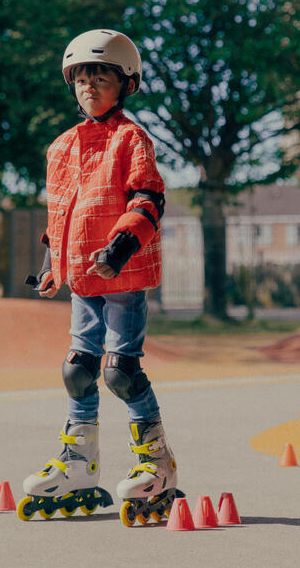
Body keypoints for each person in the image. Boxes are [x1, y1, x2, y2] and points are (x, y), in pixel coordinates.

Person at [17, 29, 181, 527]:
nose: (90, 87)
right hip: (84, 282)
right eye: (82, 79)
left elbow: (148, 198)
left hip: (123, 276)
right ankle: (78, 466)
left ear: (126, 84)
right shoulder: (62, 146)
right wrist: (51, 266)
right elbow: (60, 214)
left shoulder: (132, 139)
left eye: (102, 77)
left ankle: (157, 464)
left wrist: (123, 244)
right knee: (77, 370)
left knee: (120, 372)